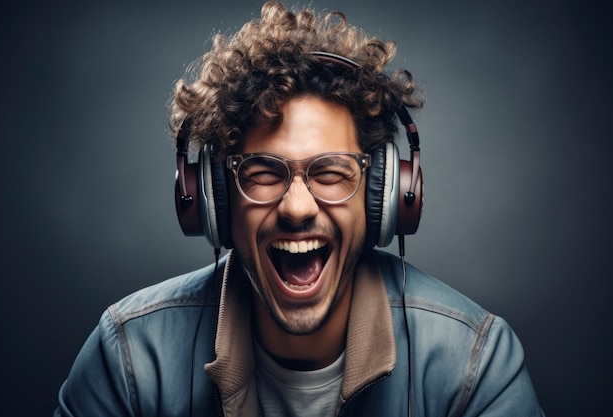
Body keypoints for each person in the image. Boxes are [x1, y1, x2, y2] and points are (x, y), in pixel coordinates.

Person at [55, 2, 544, 416]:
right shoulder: (128, 361)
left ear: (383, 194)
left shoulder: (474, 366)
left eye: (331, 171)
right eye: (262, 173)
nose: (297, 207)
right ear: (216, 199)